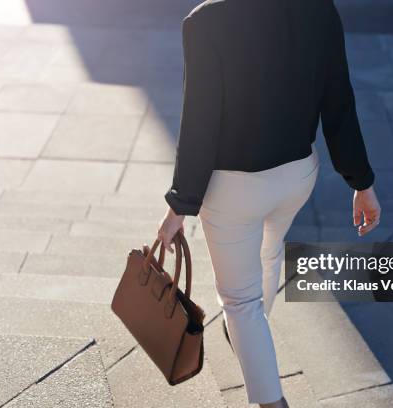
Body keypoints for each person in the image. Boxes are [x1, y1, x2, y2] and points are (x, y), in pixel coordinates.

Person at [158, 1, 381, 407]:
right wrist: (361, 183)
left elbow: (199, 120)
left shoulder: (205, 21)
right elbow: (339, 104)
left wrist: (180, 205)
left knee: (240, 302)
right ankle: (250, 335)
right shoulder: (319, 10)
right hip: (297, 177)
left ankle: (270, 400)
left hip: (233, 189)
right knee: (269, 252)